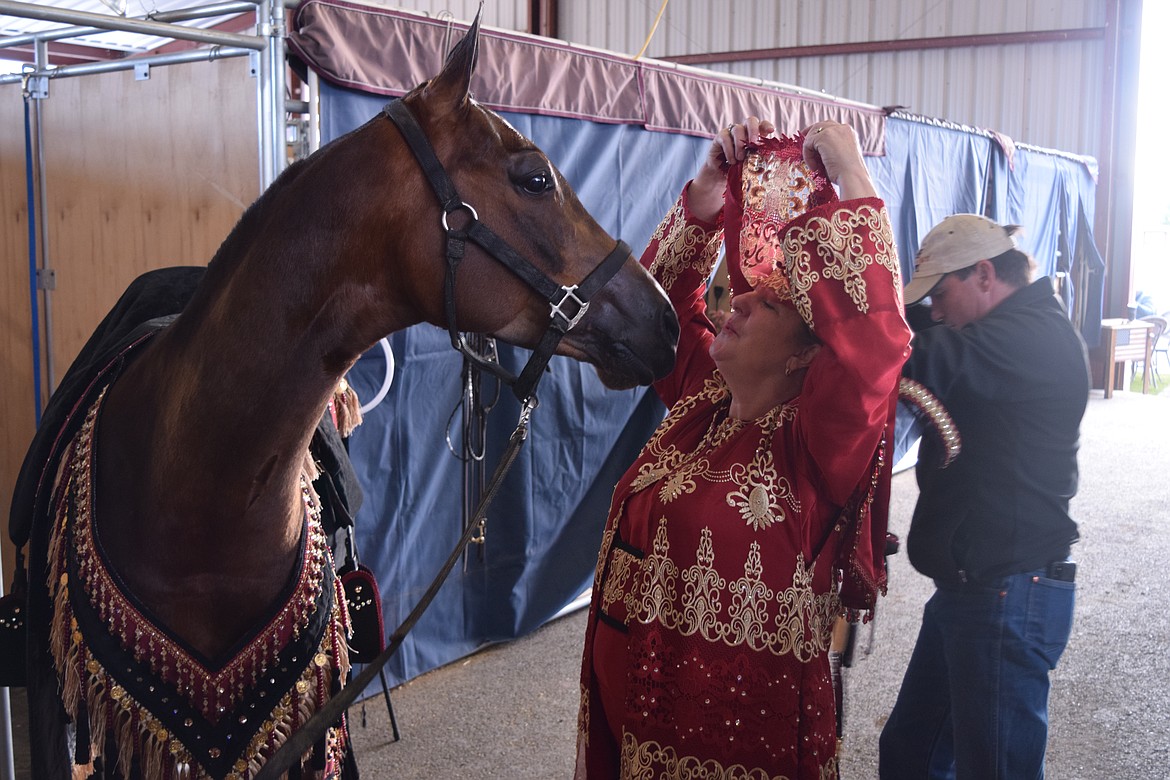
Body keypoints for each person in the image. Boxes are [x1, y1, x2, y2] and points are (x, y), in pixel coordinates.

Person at [574, 116, 911, 779]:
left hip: (732, 740)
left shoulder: (818, 443)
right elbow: (660, 310)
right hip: (636, 710)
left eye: (769, 307)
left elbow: (875, 345)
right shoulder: (706, 397)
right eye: (743, 294)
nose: (740, 304)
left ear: (803, 358)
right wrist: (704, 195)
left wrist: (851, 173)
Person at [878, 214, 1091, 779]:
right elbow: (927, 324)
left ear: (984, 275)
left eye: (942, 294)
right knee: (909, 757)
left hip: (1007, 589)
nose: (937, 311)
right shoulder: (1010, 325)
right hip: (975, 588)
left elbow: (924, 355)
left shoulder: (1034, 338)